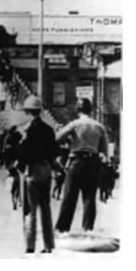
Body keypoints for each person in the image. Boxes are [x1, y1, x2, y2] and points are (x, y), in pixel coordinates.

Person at [55, 98, 110, 233]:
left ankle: (62, 229)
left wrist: (69, 141)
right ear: (90, 110)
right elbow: (104, 149)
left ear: (77, 110)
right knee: (89, 197)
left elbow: (58, 137)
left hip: (77, 162)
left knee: (69, 197)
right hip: (93, 163)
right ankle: (87, 229)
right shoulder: (99, 126)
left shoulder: (75, 124)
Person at [15, 96, 59, 253]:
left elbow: (22, 153)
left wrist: (19, 166)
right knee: (45, 208)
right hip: (46, 170)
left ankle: (30, 245)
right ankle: (48, 245)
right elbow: (54, 151)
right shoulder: (48, 130)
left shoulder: (27, 130)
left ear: (27, 111)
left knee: (30, 210)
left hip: (31, 171)